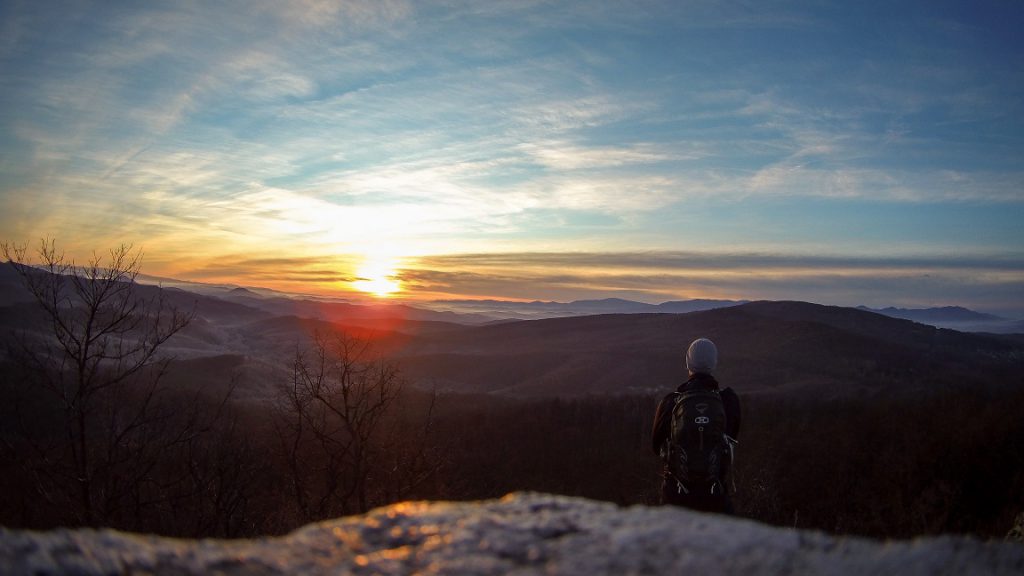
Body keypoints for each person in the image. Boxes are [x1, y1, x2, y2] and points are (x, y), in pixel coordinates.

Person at [651, 337, 741, 513]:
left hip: (676, 494)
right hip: (715, 494)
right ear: (714, 363)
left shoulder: (671, 402)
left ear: (687, 362)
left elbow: (656, 446)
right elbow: (730, 438)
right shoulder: (728, 400)